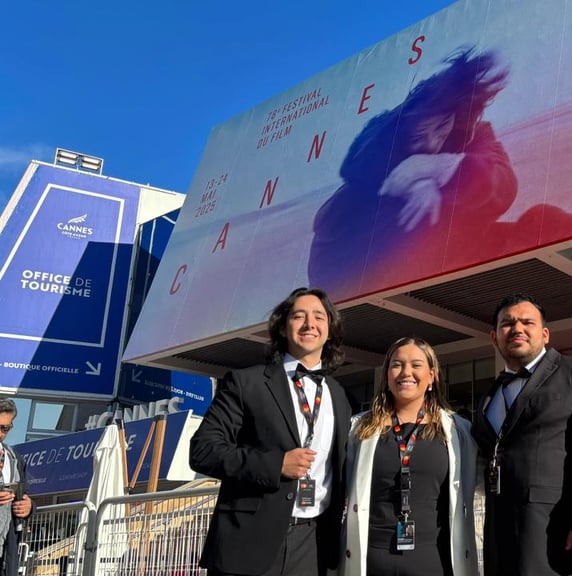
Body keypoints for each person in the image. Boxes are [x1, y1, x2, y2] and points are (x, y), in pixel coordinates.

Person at [309, 47, 516, 299]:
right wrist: (415, 183)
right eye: (418, 137)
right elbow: (359, 163)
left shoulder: (474, 134)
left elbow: (504, 186)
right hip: (353, 274)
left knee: (543, 223)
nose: (431, 143)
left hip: (444, 266)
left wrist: (437, 167)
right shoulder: (381, 139)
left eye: (442, 126)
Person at [190, 287, 353, 576]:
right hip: (248, 542)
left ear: (330, 330)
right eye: (298, 316)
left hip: (314, 544)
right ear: (282, 327)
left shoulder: (339, 395)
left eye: (319, 317)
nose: (309, 324)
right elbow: (203, 450)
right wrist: (276, 464)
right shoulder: (246, 382)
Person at [472, 294, 572, 575]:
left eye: (527, 322)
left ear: (545, 334)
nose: (517, 329)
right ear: (494, 337)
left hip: (564, 543)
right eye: (507, 324)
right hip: (503, 548)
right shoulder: (488, 397)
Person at [344, 337, 477, 576]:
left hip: (434, 561)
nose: (406, 372)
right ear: (386, 375)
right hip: (371, 559)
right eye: (397, 365)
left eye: (416, 365)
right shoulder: (358, 429)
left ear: (432, 376)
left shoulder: (459, 430)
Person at [0, 398, 32, 576]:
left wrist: (28, 507)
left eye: (5, 428)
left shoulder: (14, 459)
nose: (0, 433)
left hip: (5, 552)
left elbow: (24, 495)